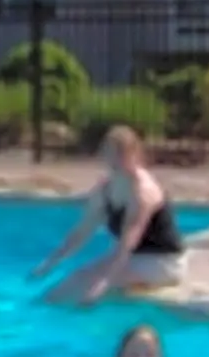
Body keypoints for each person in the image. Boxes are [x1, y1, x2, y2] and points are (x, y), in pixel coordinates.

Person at [28, 125, 187, 304]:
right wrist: (49, 264)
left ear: (135, 155)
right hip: (135, 258)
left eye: (121, 155)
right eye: (110, 154)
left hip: (162, 262)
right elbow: (82, 231)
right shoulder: (106, 188)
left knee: (84, 285)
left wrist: (104, 282)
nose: (115, 161)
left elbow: (128, 241)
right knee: (67, 286)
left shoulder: (143, 191)